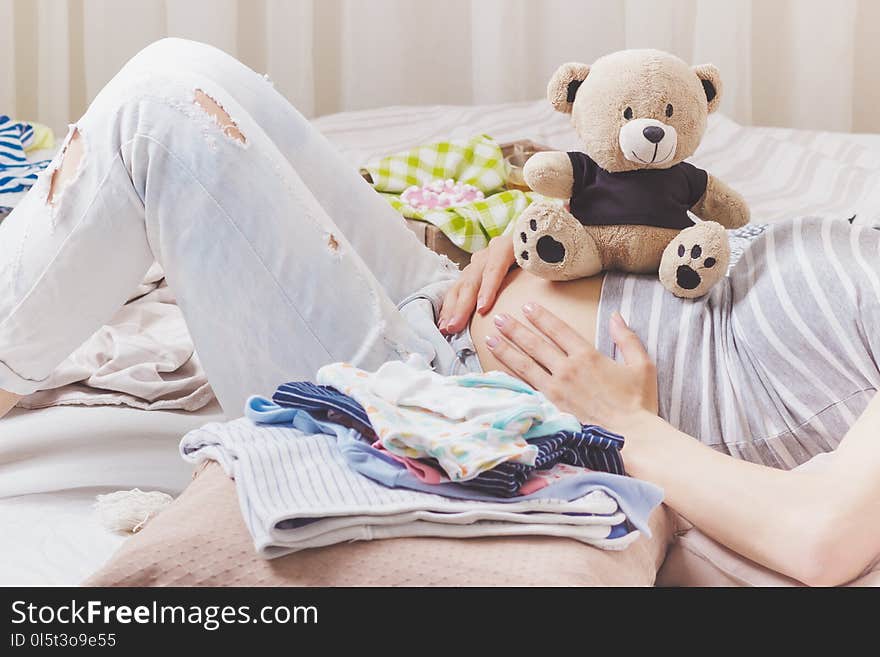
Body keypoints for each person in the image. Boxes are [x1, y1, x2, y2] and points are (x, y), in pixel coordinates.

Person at [1, 39, 877, 586]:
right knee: (195, 67)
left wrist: (624, 425)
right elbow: (750, 271)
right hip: (450, 300)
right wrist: (542, 238)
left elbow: (820, 538)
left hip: (426, 393)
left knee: (161, 110)